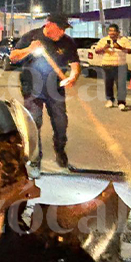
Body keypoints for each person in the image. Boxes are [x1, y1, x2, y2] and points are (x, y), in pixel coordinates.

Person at [9, 13, 81, 170]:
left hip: (55, 88)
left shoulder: (67, 42)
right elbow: (13, 57)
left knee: (61, 122)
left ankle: (60, 150)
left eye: (64, 29)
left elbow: (75, 63)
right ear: (49, 24)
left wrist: (72, 77)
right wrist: (29, 49)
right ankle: (35, 158)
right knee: (34, 123)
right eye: (60, 28)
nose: (62, 32)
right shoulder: (31, 36)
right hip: (32, 88)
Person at [94, 24, 131, 111]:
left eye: (114, 31)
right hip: (107, 65)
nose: (112, 33)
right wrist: (104, 48)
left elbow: (130, 51)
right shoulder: (103, 40)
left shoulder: (123, 40)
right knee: (108, 84)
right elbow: (97, 51)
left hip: (120, 66)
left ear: (118, 32)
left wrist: (120, 47)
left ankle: (121, 102)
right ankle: (110, 100)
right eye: (110, 31)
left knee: (121, 85)